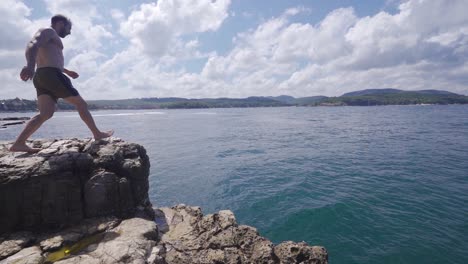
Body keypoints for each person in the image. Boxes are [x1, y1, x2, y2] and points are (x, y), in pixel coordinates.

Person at [10, 14, 113, 153]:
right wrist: (29, 65)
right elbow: (32, 44)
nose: (69, 32)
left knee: (46, 113)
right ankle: (97, 134)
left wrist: (67, 71)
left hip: (42, 76)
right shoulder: (48, 31)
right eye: (68, 28)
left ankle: (19, 143)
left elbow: (50, 59)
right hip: (51, 75)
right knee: (81, 104)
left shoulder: (51, 37)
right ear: (60, 23)